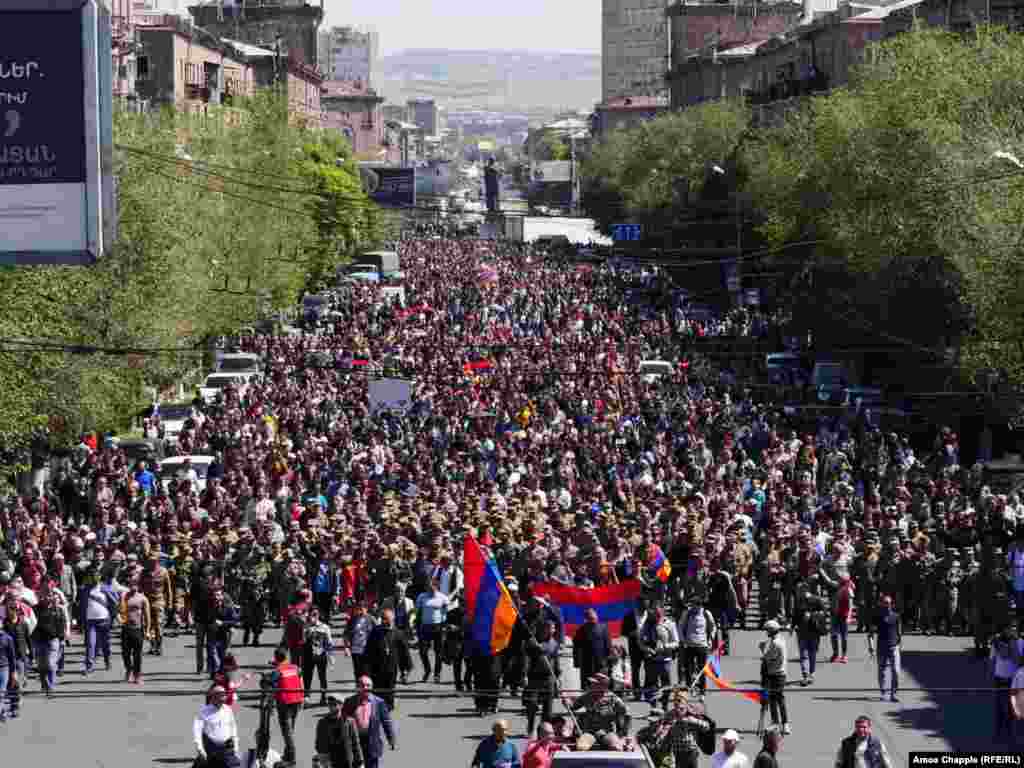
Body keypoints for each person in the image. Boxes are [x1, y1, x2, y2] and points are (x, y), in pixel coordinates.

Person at [343, 676, 395, 768]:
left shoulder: (379, 702)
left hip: (372, 741)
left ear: (372, 687)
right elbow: (342, 721)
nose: (365, 688)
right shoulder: (349, 702)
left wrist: (391, 739)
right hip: (355, 741)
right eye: (362, 685)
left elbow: (386, 721)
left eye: (368, 685)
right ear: (357, 687)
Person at [365, 608, 411, 712]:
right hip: (376, 667)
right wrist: (366, 668)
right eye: (383, 619)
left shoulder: (398, 633)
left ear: (392, 619)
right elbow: (368, 650)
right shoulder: (375, 631)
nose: (384, 621)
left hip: (391, 668)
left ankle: (388, 709)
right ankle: (377, 709)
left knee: (389, 691)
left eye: (386, 619)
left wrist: (405, 669)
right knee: (377, 691)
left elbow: (404, 653)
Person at [658, 687, 716, 768]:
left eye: (679, 700)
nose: (677, 704)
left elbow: (707, 727)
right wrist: (665, 730)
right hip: (677, 752)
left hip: (691, 751)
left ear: (685, 702)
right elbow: (663, 729)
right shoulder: (670, 715)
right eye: (675, 700)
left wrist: (692, 721)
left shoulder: (693, 712)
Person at [268, 646, 304, 767]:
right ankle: (287, 754)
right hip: (297, 701)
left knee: (287, 732)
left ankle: (291, 758)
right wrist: (302, 696)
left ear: (275, 658)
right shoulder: (295, 668)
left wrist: (270, 705)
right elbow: (300, 679)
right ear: (286, 656)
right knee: (290, 729)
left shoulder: (277, 671)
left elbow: (272, 688)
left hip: (285, 703)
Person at [523, 619, 560, 735]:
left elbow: (556, 661)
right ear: (544, 629)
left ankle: (543, 730)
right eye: (549, 628)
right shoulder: (533, 642)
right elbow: (526, 659)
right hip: (534, 677)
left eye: (553, 628)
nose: (552, 631)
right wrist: (524, 675)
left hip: (548, 678)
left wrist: (557, 677)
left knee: (548, 710)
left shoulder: (554, 643)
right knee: (532, 705)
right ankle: (530, 726)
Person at [194, 685, 242, 768]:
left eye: (223, 696)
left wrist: (236, 746)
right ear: (213, 697)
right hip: (210, 750)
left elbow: (233, 728)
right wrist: (200, 749)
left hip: (226, 749)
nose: (222, 699)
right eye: (219, 696)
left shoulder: (228, 710)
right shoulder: (204, 711)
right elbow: (197, 731)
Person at [414, 575, 450, 683]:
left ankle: (437, 674)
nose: (430, 589)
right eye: (428, 587)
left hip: (438, 627)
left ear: (436, 587)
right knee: (423, 651)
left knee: (438, 652)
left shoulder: (443, 597)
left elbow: (446, 612)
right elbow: (418, 612)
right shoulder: (422, 597)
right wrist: (416, 624)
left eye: (432, 587)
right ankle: (427, 670)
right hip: (425, 626)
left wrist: (444, 625)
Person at [866, 594, 901, 703]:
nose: (887, 606)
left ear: (892, 604)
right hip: (881, 648)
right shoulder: (877, 617)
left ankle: (893, 694)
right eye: (885, 603)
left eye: (889, 603)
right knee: (882, 672)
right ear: (881, 604)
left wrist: (897, 645)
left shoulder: (896, 617)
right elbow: (870, 634)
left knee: (896, 671)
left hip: (893, 647)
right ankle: (883, 692)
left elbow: (899, 633)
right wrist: (871, 647)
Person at [992, 625, 1022, 742]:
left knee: (1012, 706)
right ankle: (999, 732)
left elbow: (1018, 661)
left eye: (1014, 628)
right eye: (1009, 628)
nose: (1011, 630)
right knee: (999, 705)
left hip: (1014, 679)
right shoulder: (997, 642)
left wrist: (1011, 647)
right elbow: (993, 659)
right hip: (999, 677)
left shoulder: (1020, 642)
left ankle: (1011, 732)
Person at [315, 694, 363, 768]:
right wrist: (321, 760)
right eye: (329, 704)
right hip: (330, 762)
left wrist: (360, 762)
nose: (331, 707)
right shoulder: (322, 723)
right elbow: (319, 744)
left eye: (334, 704)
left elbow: (355, 743)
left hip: (347, 761)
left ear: (341, 705)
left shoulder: (349, 722)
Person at [759, 620, 790, 735]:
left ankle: (778, 723)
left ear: (771, 631)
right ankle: (782, 723)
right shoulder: (780, 640)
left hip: (775, 673)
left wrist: (762, 649)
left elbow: (768, 658)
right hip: (780, 672)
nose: (766, 633)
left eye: (767, 631)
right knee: (778, 699)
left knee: (775, 699)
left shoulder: (775, 643)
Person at [301, 606, 334, 707]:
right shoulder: (305, 627)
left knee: (322, 677)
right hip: (308, 655)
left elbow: (329, 643)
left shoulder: (325, 627)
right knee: (307, 677)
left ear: (319, 615)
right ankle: (307, 697)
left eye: (315, 614)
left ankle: (323, 697)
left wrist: (331, 656)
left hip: (321, 655)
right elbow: (302, 641)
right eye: (311, 614)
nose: (313, 617)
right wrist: (308, 632)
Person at [621, 596, 649, 701]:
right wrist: (632, 633)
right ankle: (637, 692)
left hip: (648, 647)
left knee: (649, 670)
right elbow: (623, 631)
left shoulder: (650, 615)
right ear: (637, 605)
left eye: (646, 606)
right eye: (642, 606)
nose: (644, 608)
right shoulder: (629, 616)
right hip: (634, 647)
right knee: (635, 670)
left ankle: (647, 692)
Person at [573, 608, 612, 684]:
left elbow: (608, 645)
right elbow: (576, 647)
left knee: (601, 685)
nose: (593, 619)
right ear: (586, 618)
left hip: (601, 662)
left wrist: (608, 660)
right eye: (590, 618)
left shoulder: (603, 628)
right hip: (586, 663)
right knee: (588, 685)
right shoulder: (581, 630)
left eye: (593, 617)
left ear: (596, 617)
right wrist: (577, 662)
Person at [344, 602, 375, 682]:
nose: (360, 611)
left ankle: (368, 690)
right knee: (358, 672)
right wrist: (347, 647)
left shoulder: (371, 619)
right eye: (358, 609)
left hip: (368, 650)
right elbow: (346, 633)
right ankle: (359, 690)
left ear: (366, 609)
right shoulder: (353, 619)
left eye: (362, 609)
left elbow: (377, 632)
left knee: (367, 672)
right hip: (356, 650)